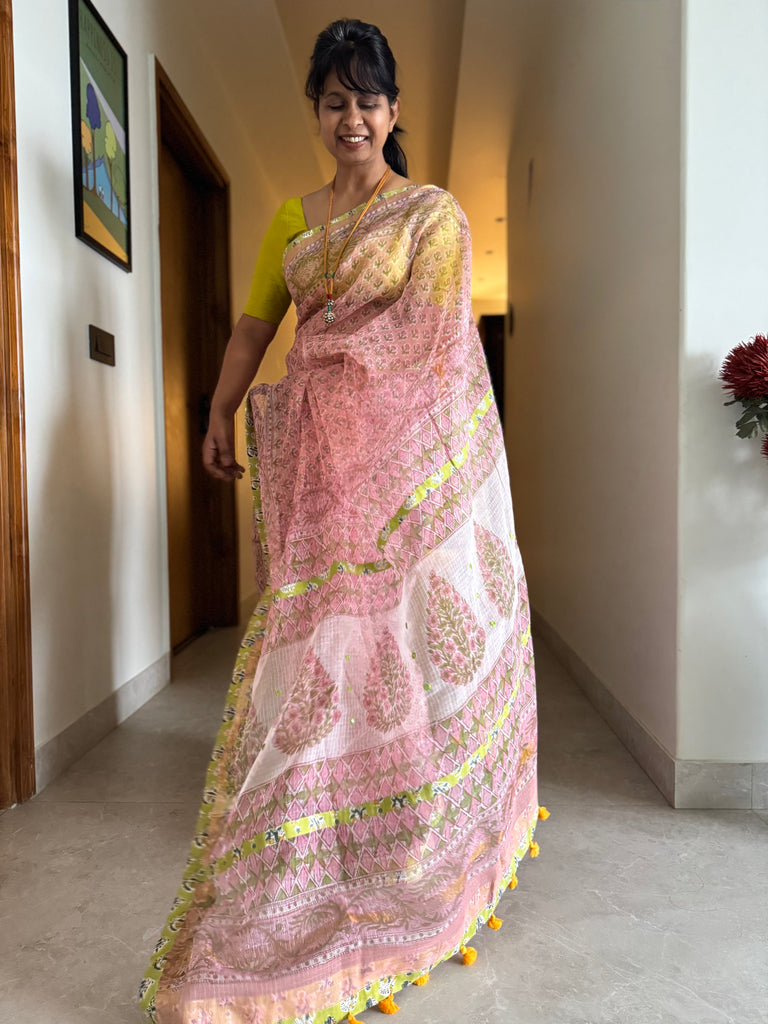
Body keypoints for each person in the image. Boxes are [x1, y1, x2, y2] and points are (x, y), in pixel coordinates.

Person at [140, 18, 544, 1024]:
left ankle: (412, 839)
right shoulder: (294, 219)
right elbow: (254, 327)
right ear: (315, 110)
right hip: (315, 478)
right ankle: (306, 833)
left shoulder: (431, 217)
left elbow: (436, 350)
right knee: (315, 650)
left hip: (398, 480)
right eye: (334, 100)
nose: (351, 118)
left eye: (368, 100)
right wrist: (218, 408)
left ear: (393, 111)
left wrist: (366, 420)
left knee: (401, 649)